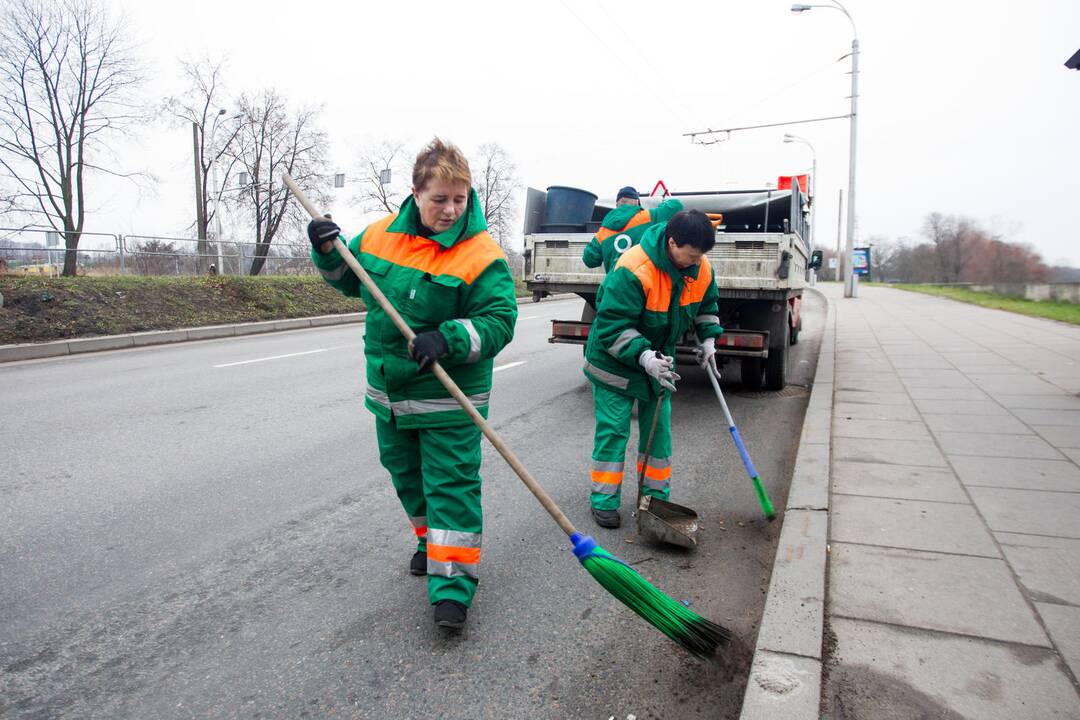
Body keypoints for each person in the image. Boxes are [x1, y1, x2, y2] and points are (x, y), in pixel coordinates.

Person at [308, 138, 518, 629]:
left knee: (451, 487)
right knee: (406, 477)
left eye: (459, 199)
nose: (450, 210)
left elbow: (499, 321)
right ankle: (430, 542)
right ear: (416, 194)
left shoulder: (481, 256)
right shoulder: (381, 234)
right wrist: (325, 249)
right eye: (439, 199)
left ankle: (452, 590)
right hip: (390, 396)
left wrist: (447, 339)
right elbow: (348, 278)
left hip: (447, 399)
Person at [582, 209, 723, 528]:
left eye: (700, 256)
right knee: (614, 432)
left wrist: (709, 340)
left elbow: (706, 307)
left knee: (658, 435)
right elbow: (612, 327)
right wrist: (644, 357)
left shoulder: (700, 267)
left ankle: (654, 502)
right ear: (672, 243)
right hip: (614, 362)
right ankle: (603, 500)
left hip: (660, 361)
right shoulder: (634, 268)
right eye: (689, 256)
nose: (694, 262)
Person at [581, 186, 684, 273]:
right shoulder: (648, 217)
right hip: (641, 285)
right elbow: (676, 205)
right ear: (637, 202)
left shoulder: (603, 232)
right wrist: (662, 203)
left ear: (617, 205)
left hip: (614, 287)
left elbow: (589, 260)